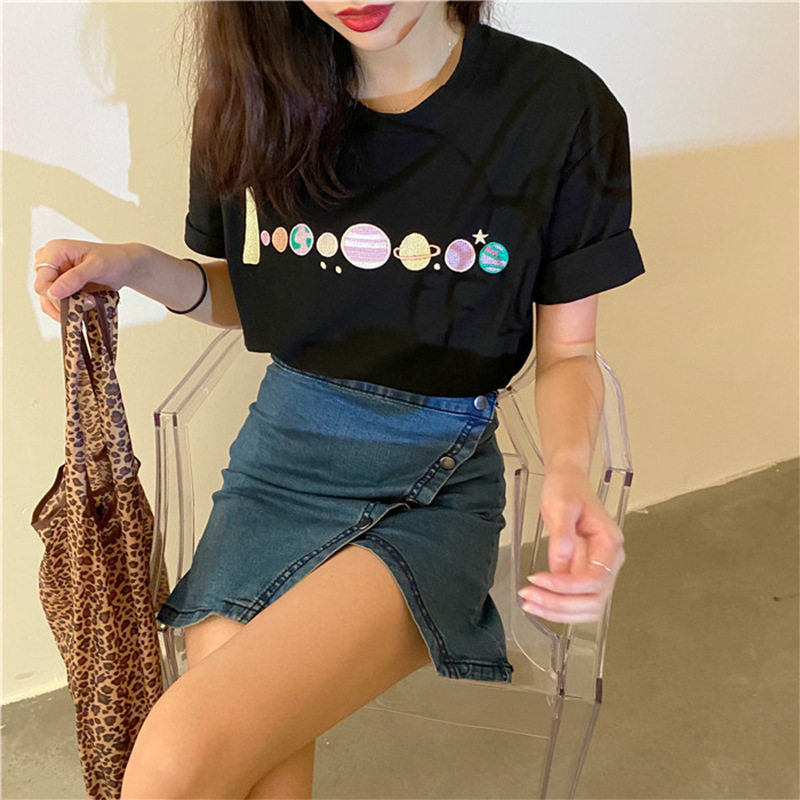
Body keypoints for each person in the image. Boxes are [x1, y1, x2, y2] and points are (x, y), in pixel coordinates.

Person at [33, 1, 645, 797]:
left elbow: (569, 352)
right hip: (279, 463)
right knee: (247, 764)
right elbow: (267, 295)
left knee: (179, 755)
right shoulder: (251, 94)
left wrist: (567, 470)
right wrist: (139, 266)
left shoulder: (559, 107)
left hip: (436, 478)